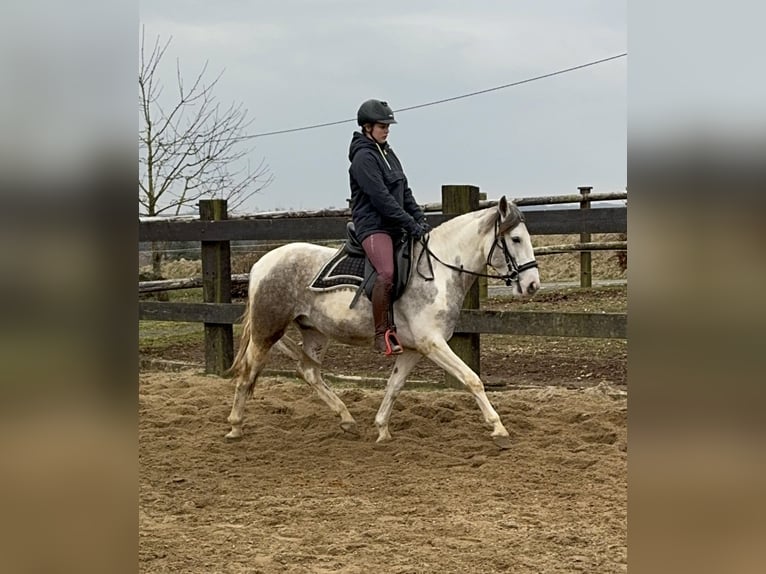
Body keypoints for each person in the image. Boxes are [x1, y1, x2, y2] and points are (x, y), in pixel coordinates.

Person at [348, 99, 430, 355]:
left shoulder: (388, 153)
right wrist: (408, 223)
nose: (386, 130)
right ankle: (382, 332)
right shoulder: (363, 158)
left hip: (395, 224)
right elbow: (381, 199)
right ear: (367, 127)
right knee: (386, 273)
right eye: (382, 126)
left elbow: (403, 190)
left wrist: (419, 218)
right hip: (373, 227)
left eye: (387, 126)